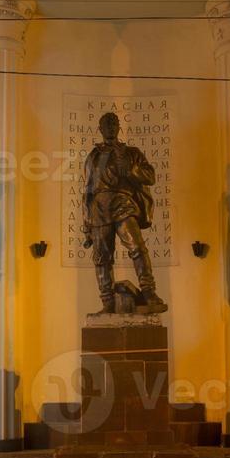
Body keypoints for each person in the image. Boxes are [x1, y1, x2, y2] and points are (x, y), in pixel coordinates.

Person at [81, 111, 166, 314]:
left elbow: (150, 177)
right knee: (102, 258)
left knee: (137, 247)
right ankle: (107, 302)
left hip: (123, 204)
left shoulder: (132, 152)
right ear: (100, 129)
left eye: (113, 124)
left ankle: (148, 292)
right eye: (106, 125)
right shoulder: (93, 156)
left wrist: (130, 170)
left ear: (119, 128)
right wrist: (86, 225)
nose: (110, 128)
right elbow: (88, 191)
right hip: (99, 210)